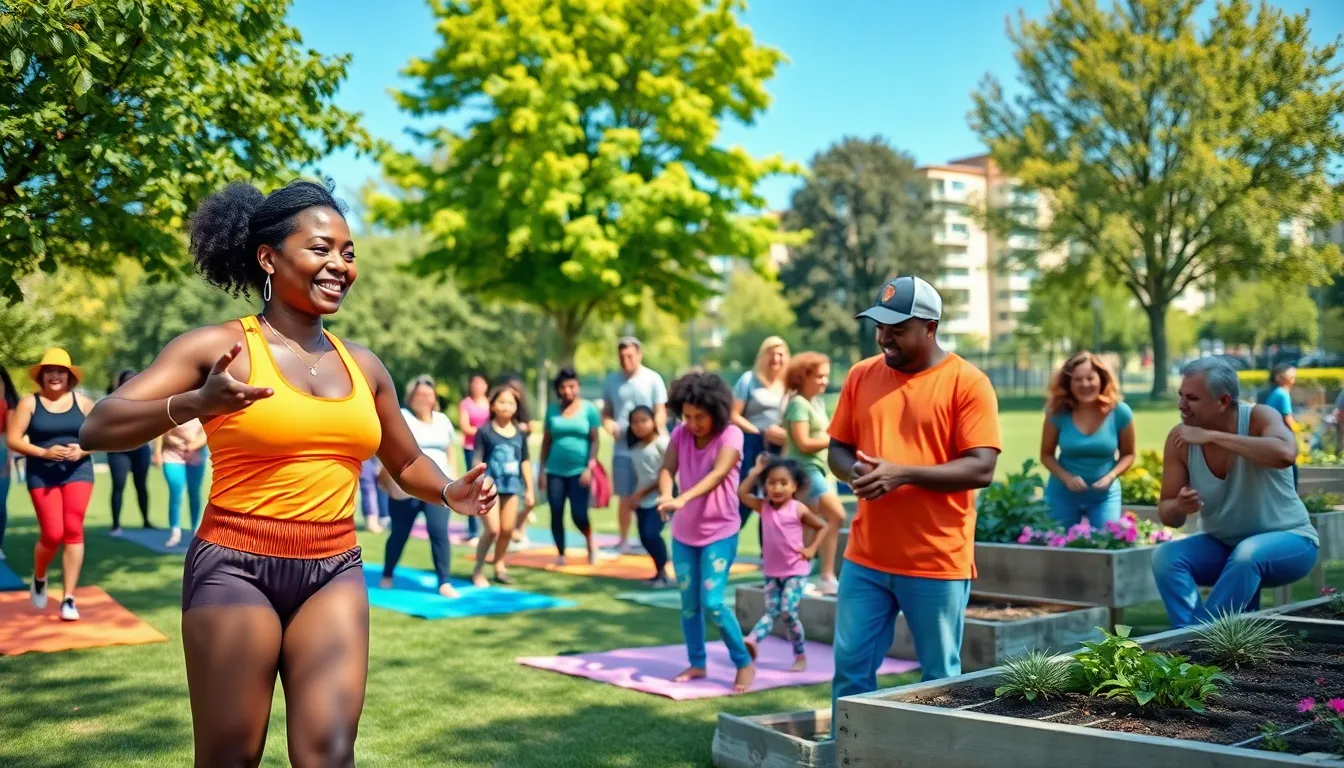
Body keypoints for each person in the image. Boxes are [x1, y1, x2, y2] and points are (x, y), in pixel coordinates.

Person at [78, 180, 496, 766]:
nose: (339, 265)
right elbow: (98, 425)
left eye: (348, 253)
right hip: (234, 566)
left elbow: (403, 460)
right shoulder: (218, 346)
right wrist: (196, 403)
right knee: (230, 755)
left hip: (334, 568)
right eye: (322, 248)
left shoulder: (366, 367)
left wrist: (452, 491)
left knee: (328, 754)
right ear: (269, 257)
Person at [825, 276, 1001, 731]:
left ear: (930, 326)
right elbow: (837, 449)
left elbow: (981, 467)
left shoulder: (968, 383)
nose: (884, 336)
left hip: (935, 562)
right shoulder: (861, 375)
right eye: (879, 326)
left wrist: (901, 473)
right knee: (850, 673)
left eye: (897, 328)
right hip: (865, 557)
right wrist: (855, 473)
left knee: (940, 681)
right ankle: (851, 757)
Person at [1151, 357, 1319, 628]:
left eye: (1192, 398)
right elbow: (1168, 514)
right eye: (1181, 396)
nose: (1181, 405)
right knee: (1166, 557)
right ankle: (1189, 638)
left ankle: (1197, 645)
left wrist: (1214, 437)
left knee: (1247, 554)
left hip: (1293, 541)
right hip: (1226, 547)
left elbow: (1285, 453)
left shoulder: (1259, 417)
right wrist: (1180, 506)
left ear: (1223, 401)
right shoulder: (1180, 440)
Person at [656, 372, 755, 693]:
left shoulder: (731, 435)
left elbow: (718, 473)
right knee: (688, 603)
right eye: (686, 416)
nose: (693, 423)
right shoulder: (680, 435)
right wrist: (664, 494)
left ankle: (743, 661)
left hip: (720, 532)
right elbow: (668, 469)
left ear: (717, 409)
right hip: (684, 534)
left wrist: (681, 497)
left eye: (700, 416)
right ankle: (697, 662)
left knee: (713, 603)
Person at [6, 348, 97, 620]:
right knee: (52, 533)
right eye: (49, 372)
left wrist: (83, 450)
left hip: (78, 471)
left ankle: (68, 598)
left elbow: (101, 437)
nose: (55, 376)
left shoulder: (83, 403)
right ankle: (40, 575)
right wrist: (43, 452)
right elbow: (14, 439)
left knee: (73, 530)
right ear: (42, 377)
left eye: (60, 371)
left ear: (70, 377)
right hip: (41, 472)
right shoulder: (29, 403)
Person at [738, 455, 829, 672]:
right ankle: (751, 641)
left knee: (787, 612)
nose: (777, 488)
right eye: (771, 482)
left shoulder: (798, 509)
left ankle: (800, 655)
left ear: (795, 485)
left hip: (795, 571)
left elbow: (822, 526)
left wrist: (811, 549)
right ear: (765, 485)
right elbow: (742, 493)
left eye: (783, 483)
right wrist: (755, 472)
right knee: (771, 612)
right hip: (772, 572)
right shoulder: (764, 507)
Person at [379, 375, 459, 597]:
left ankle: (444, 581)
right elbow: (391, 448)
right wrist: (390, 481)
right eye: (419, 395)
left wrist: (452, 477)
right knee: (399, 533)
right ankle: (387, 573)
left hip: (438, 487)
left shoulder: (443, 420)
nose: (424, 399)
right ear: (410, 398)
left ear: (435, 398)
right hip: (407, 487)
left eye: (429, 395)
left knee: (439, 532)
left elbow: (450, 450)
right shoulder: (402, 417)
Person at [1038, 351, 1136, 528]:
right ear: (1069, 383)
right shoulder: (1056, 413)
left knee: (1107, 542)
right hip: (1062, 493)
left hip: (1104, 496)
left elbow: (1128, 454)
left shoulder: (1120, 412)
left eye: (1090, 378)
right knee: (1059, 544)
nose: (1085, 384)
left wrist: (1110, 476)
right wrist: (1067, 478)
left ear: (1101, 379)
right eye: (1077, 379)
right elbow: (1046, 455)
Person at [782, 352, 846, 595]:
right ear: (803, 376)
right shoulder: (798, 404)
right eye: (819, 376)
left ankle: (802, 574)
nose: (824, 381)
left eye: (826, 376)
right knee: (836, 516)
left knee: (810, 525)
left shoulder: (816, 403)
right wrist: (834, 440)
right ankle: (826, 575)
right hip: (806, 471)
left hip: (819, 470)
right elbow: (803, 442)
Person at [604, 337, 668, 553]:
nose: (626, 360)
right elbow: (607, 412)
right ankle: (623, 540)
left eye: (630, 355)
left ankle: (650, 535)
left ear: (639, 355)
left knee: (651, 491)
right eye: (622, 356)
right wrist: (609, 424)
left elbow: (660, 410)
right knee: (625, 494)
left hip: (649, 449)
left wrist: (651, 435)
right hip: (623, 447)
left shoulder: (653, 379)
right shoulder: (612, 380)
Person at [472, 385, 533, 586]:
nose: (506, 406)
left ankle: (499, 564)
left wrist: (530, 490)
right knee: (492, 530)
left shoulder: (520, 433)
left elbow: (524, 461)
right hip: (489, 488)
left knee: (507, 530)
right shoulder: (485, 431)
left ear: (516, 407)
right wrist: (477, 484)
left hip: (512, 487)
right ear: (493, 405)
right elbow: (477, 460)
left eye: (510, 402)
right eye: (501, 402)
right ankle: (478, 569)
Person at [539, 367, 601, 564]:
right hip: (554, 471)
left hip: (579, 471)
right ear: (558, 389)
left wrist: (589, 467)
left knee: (579, 514)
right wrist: (541, 469)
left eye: (572, 386)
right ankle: (561, 553)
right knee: (556, 511)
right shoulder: (551, 411)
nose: (568, 391)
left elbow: (595, 440)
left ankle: (590, 540)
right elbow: (546, 442)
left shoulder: (589, 409)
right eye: (563, 387)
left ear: (578, 386)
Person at [732, 337, 790, 527]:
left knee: (774, 500)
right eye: (771, 354)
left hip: (779, 448)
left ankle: (769, 551)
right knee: (743, 497)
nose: (776, 359)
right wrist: (761, 432)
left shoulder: (788, 383)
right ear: (763, 356)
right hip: (751, 444)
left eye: (780, 354)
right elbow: (734, 415)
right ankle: (724, 542)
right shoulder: (748, 379)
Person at [106, 369, 156, 534]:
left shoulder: (146, 401)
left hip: (140, 449)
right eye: (126, 380)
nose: (130, 383)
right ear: (120, 384)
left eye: (134, 380)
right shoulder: (111, 402)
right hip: (118, 450)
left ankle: (146, 521)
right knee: (118, 484)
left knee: (141, 485)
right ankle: (116, 525)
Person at [625, 405, 671, 585]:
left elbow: (667, 471)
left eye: (643, 420)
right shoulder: (635, 448)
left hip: (659, 499)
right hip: (641, 500)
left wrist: (642, 493)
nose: (639, 425)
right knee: (644, 537)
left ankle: (664, 572)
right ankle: (658, 572)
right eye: (634, 422)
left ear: (653, 421)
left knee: (651, 533)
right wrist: (634, 496)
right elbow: (640, 475)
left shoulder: (662, 443)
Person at [160, 417, 209, 548]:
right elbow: (164, 432)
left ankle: (196, 530)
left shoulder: (203, 408)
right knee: (176, 494)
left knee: (194, 492)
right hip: (172, 456)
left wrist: (192, 445)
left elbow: (206, 433)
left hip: (195, 456)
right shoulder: (174, 407)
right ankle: (175, 532)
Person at [458, 373, 490, 542]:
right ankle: (473, 530)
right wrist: (484, 433)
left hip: (490, 450)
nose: (477, 386)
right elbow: (465, 427)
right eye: (474, 383)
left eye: (480, 383)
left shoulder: (491, 403)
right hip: (471, 449)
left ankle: (490, 527)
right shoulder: (466, 404)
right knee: (473, 488)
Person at [1263, 364, 1299, 487]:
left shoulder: (1276, 392)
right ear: (1279, 377)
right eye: (1291, 375)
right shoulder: (1282, 393)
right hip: (1280, 439)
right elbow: (1288, 419)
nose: (1293, 378)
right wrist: (1300, 432)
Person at [0, 366, 16, 561]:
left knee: (0, 504)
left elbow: (11, 436)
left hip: (1, 452)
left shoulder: (9, 405)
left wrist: (9, 460)